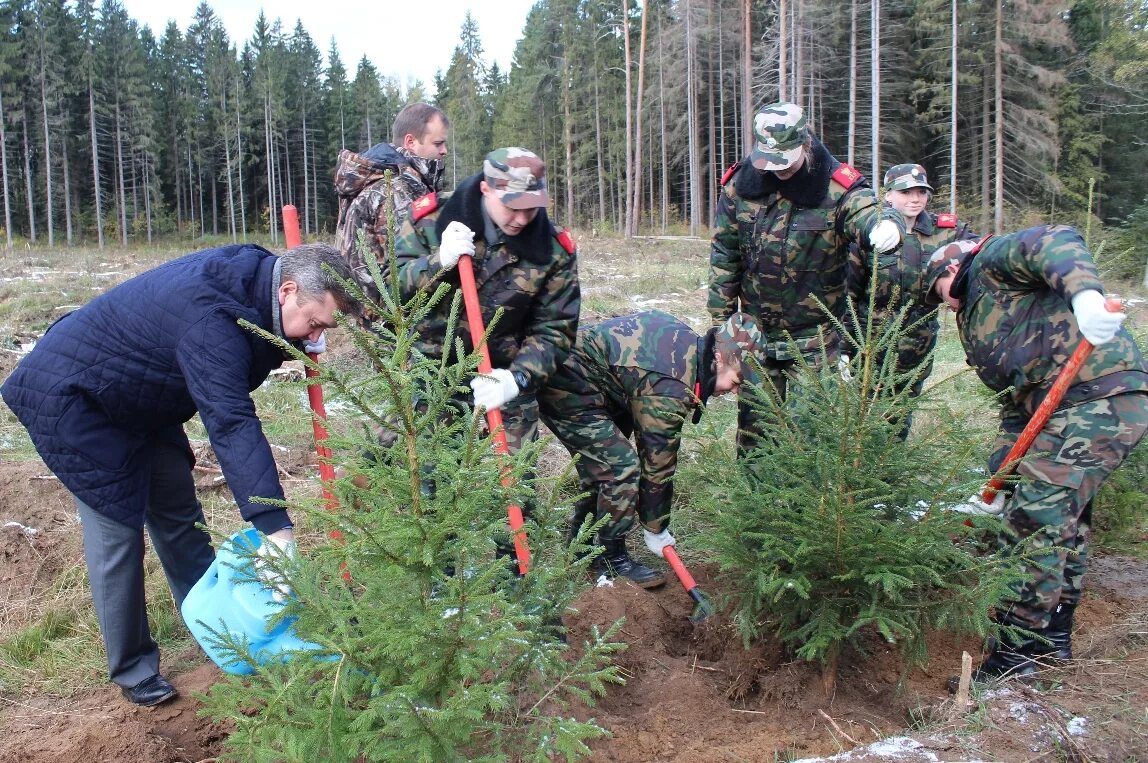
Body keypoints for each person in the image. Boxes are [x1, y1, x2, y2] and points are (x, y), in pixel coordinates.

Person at [1, 243, 361, 707]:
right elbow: (230, 419)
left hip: (140, 394)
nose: (316, 332)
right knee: (118, 533)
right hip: (74, 399)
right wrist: (276, 528)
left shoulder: (259, 279)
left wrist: (295, 339)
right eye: (315, 322)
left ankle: (218, 634)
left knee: (179, 515)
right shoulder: (211, 319)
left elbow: (251, 341)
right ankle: (133, 669)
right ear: (288, 289)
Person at [922, 225, 1147, 684]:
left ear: (950, 268)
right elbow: (1015, 407)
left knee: (1033, 524)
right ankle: (1051, 639)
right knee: (1066, 519)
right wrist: (1002, 477)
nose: (944, 303)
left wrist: (1085, 295)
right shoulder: (978, 319)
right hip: (1067, 409)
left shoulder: (992, 263)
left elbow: (1054, 239)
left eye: (939, 290)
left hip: (1098, 398)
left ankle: (1016, 656)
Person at [708, 101, 904, 452]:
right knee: (756, 433)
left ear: (805, 144)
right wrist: (722, 327)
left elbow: (868, 209)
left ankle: (807, 508)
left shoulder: (836, 187)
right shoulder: (741, 185)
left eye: (785, 160)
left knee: (811, 435)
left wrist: (886, 225)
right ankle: (757, 503)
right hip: (755, 333)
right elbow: (725, 254)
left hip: (816, 338)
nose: (777, 171)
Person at [539, 310, 765, 587]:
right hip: (565, 383)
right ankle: (611, 560)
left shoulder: (690, 349)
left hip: (605, 383)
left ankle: (580, 545)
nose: (733, 391)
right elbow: (658, 462)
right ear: (719, 358)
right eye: (736, 381)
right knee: (619, 469)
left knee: (604, 465)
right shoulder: (669, 385)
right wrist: (656, 527)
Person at [393, 147, 580, 457]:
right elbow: (392, 289)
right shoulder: (430, 221)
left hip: (501, 373)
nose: (521, 219)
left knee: (516, 487)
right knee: (426, 478)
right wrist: (439, 261)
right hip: (430, 370)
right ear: (486, 189)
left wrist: (517, 378)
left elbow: (556, 329)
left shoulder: (554, 249)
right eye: (512, 207)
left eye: (531, 208)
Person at [847, 163, 978, 439]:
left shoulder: (946, 232)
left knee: (899, 415)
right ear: (888, 195)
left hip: (918, 342)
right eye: (905, 191)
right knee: (864, 415)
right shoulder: (871, 231)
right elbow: (848, 293)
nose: (915, 198)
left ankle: (890, 474)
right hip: (871, 342)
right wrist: (845, 347)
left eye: (921, 191)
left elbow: (980, 253)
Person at [334, 103, 450, 306]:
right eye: (438, 143)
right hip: (392, 320)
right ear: (410, 142)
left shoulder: (392, 180)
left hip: (375, 314)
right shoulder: (396, 190)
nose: (444, 151)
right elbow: (404, 269)